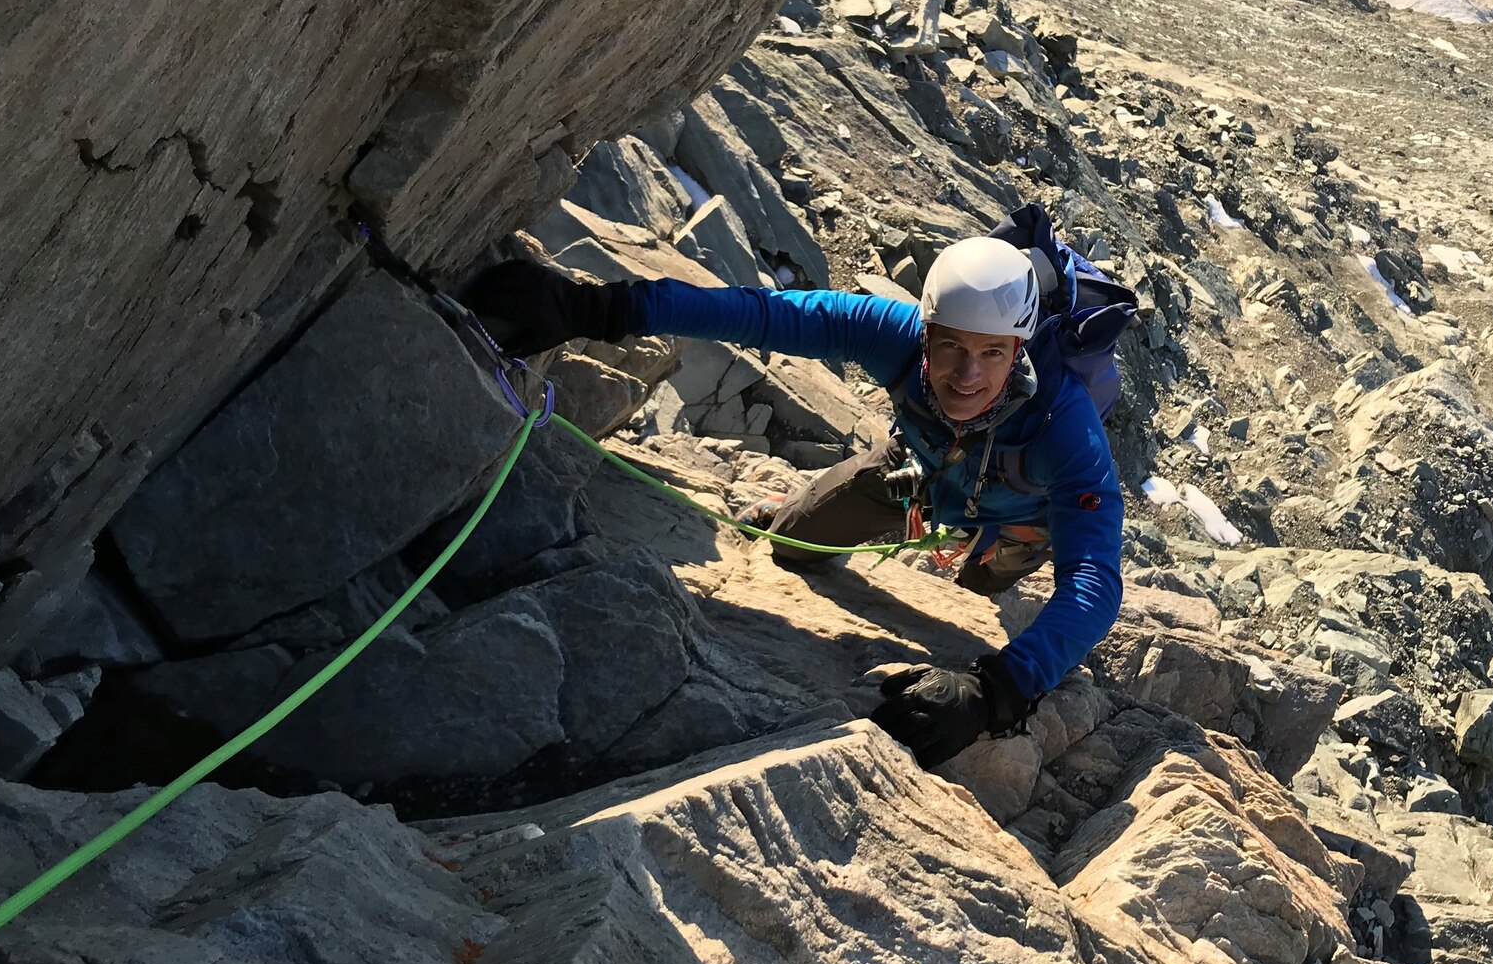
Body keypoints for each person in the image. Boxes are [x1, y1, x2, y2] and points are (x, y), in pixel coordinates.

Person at [462, 235, 1125, 769]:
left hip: (1020, 509)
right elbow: (766, 315)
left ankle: (1016, 548)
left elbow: (1095, 580)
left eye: (991, 354)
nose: (967, 375)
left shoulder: (1062, 426)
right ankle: (935, 527)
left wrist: (996, 690)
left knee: (984, 580)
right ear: (926, 333)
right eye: (950, 346)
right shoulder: (892, 334)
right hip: (918, 477)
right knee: (792, 541)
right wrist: (599, 309)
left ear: (1019, 351)